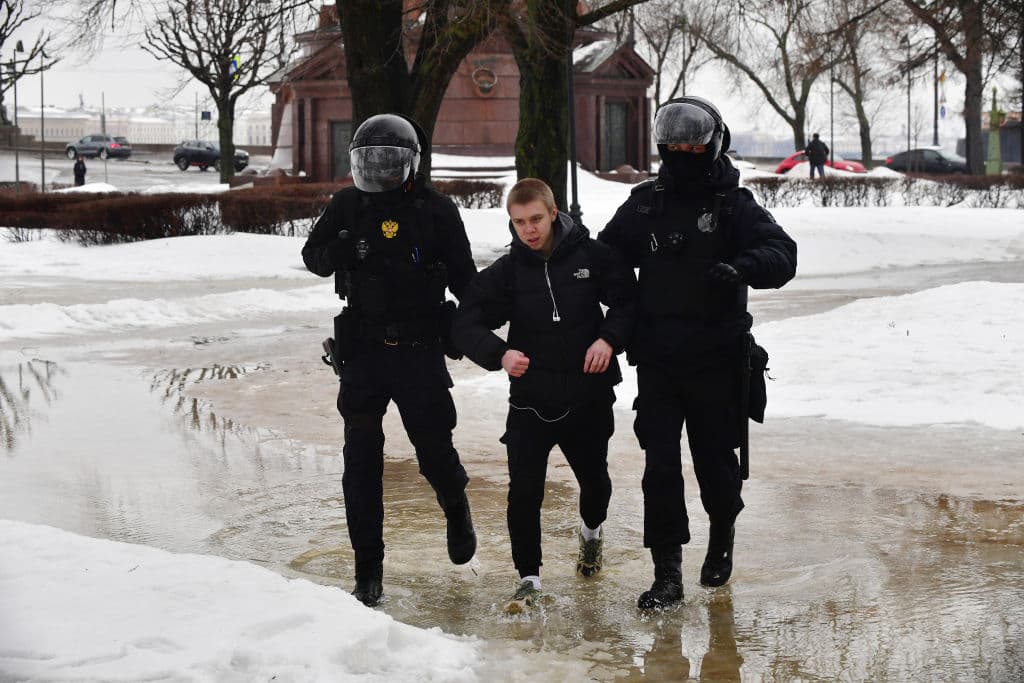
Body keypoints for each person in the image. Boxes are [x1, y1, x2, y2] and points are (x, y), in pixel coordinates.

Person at [598, 96, 797, 609]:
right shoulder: (647, 202)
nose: (684, 151)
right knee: (659, 469)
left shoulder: (733, 204)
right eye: (675, 144)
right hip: (660, 363)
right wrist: (625, 292)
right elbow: (606, 255)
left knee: (714, 465)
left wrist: (744, 267)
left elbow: (782, 253)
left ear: (714, 144)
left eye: (693, 143)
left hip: (717, 361)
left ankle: (722, 535)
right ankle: (667, 573)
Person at [301, 113, 478, 607]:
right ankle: (368, 571)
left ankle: (455, 505)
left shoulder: (437, 210)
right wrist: (339, 246)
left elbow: (468, 282)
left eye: (388, 163)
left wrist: (485, 327)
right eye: (370, 162)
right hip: (363, 352)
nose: (378, 171)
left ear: (410, 164)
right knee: (360, 465)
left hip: (420, 351)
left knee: (434, 453)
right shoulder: (346, 204)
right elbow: (313, 256)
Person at [453, 178, 636, 613]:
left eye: (535, 219)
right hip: (531, 401)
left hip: (587, 397)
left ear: (554, 213)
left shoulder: (593, 258)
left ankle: (591, 535)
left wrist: (608, 339)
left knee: (595, 484)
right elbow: (464, 323)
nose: (528, 230)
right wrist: (499, 354)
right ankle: (529, 580)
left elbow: (630, 303)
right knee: (524, 493)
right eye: (518, 222)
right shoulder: (509, 272)